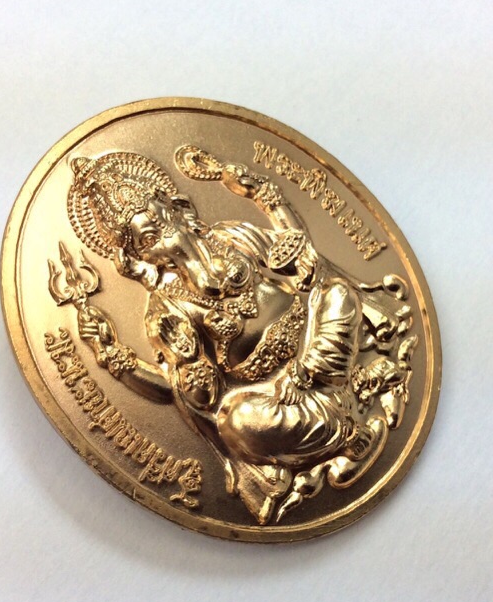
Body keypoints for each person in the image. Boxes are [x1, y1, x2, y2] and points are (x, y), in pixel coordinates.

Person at [65, 147, 415, 523]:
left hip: (320, 348)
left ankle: (341, 394)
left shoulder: (229, 237)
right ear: (140, 256)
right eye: (149, 239)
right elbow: (198, 396)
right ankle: (347, 435)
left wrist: (264, 195)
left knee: (337, 294)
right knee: (237, 422)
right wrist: (124, 354)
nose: (166, 238)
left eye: (159, 221)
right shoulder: (167, 308)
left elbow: (299, 255)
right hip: (279, 399)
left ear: (173, 207)